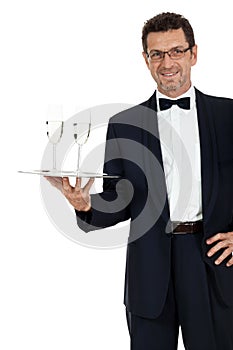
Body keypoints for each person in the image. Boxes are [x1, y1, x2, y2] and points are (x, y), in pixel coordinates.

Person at [46, 12, 233, 350]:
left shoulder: (230, 116)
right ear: (145, 60)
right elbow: (121, 198)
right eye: (157, 54)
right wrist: (86, 205)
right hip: (150, 264)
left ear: (194, 54)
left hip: (211, 262)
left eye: (176, 51)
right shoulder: (125, 123)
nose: (167, 63)